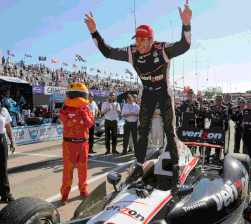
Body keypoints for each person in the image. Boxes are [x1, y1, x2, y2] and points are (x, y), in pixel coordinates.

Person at [85, 0, 192, 187]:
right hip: (148, 94)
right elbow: (108, 52)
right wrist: (95, 32)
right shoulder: (132, 52)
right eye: (137, 39)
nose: (138, 43)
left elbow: (185, 45)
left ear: (151, 39)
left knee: (170, 130)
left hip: (164, 94)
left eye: (142, 39)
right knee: (142, 132)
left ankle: (175, 167)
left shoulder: (163, 48)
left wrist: (186, 24)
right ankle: (139, 166)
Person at [59, 83, 94, 205]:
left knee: (83, 170)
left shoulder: (87, 110)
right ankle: (65, 194)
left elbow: (89, 124)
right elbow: (67, 123)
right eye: (74, 95)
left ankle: (83, 190)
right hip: (69, 144)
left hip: (83, 144)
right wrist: (79, 120)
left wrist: (80, 118)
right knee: (67, 171)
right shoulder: (64, 110)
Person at [0, 103, 16, 202]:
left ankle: (5, 194)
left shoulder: (3, 111)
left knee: (2, 167)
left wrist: (12, 141)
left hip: (1, 140)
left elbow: (8, 126)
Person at [207, 95, 228, 162]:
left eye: (219, 100)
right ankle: (207, 156)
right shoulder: (211, 107)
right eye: (216, 99)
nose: (217, 101)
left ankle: (217, 156)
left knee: (218, 143)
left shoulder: (224, 108)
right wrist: (214, 112)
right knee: (209, 141)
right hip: (212, 126)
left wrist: (217, 111)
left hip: (220, 126)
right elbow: (208, 115)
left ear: (222, 101)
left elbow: (224, 116)